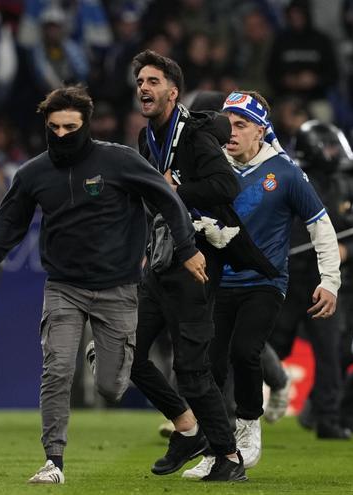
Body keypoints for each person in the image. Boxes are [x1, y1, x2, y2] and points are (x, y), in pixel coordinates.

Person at [0, 85, 203, 485]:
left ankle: (100, 356)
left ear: (85, 123)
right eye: (55, 127)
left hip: (118, 288)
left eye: (71, 126)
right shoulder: (34, 173)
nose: (63, 134)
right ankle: (54, 461)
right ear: (46, 126)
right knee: (56, 371)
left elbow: (166, 198)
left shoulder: (118, 160)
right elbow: (7, 226)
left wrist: (186, 247)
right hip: (63, 287)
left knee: (111, 387)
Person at [127, 50, 277, 482]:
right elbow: (155, 197)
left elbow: (225, 185)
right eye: (140, 81)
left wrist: (179, 186)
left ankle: (229, 458)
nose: (143, 88)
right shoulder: (145, 137)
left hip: (196, 261)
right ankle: (188, 429)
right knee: (128, 355)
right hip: (160, 259)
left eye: (153, 81)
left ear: (173, 92)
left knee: (191, 369)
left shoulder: (192, 135)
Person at [182, 91, 341, 479]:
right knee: (211, 365)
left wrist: (330, 282)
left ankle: (249, 428)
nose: (230, 132)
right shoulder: (212, 166)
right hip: (219, 279)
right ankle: (219, 447)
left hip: (266, 281)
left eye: (240, 125)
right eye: (227, 124)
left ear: (260, 131)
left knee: (245, 351)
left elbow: (322, 227)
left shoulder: (285, 172)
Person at [270, 120, 353, 440]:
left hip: (325, 279)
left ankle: (328, 418)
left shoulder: (345, 182)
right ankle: (233, 407)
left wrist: (346, 250)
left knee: (330, 350)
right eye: (328, 146)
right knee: (271, 345)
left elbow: (350, 232)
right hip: (290, 277)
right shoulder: (291, 178)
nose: (333, 154)